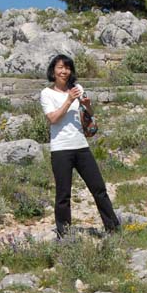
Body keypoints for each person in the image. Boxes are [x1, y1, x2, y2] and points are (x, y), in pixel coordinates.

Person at [40, 54, 120, 238]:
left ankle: (114, 228)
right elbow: (53, 118)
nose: (64, 71)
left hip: (81, 145)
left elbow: (88, 114)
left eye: (67, 68)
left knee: (99, 188)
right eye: (60, 67)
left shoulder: (78, 88)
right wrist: (69, 100)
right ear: (53, 71)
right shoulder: (47, 93)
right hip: (61, 149)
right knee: (63, 195)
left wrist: (87, 105)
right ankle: (64, 235)